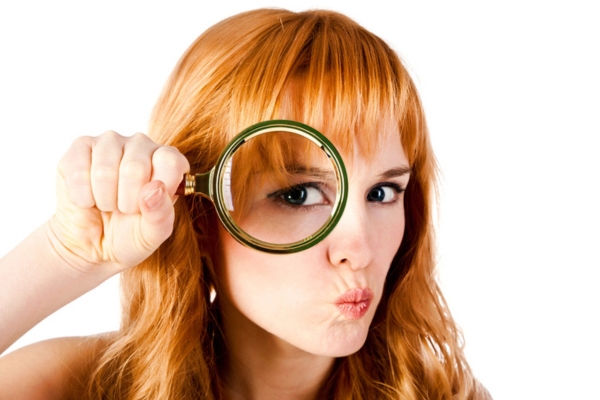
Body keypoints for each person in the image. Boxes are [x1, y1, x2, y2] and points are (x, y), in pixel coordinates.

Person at [0, 8, 492, 400]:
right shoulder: (78, 388)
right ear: (197, 211)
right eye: (297, 195)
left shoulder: (438, 394)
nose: (358, 249)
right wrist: (67, 254)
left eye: (383, 192)